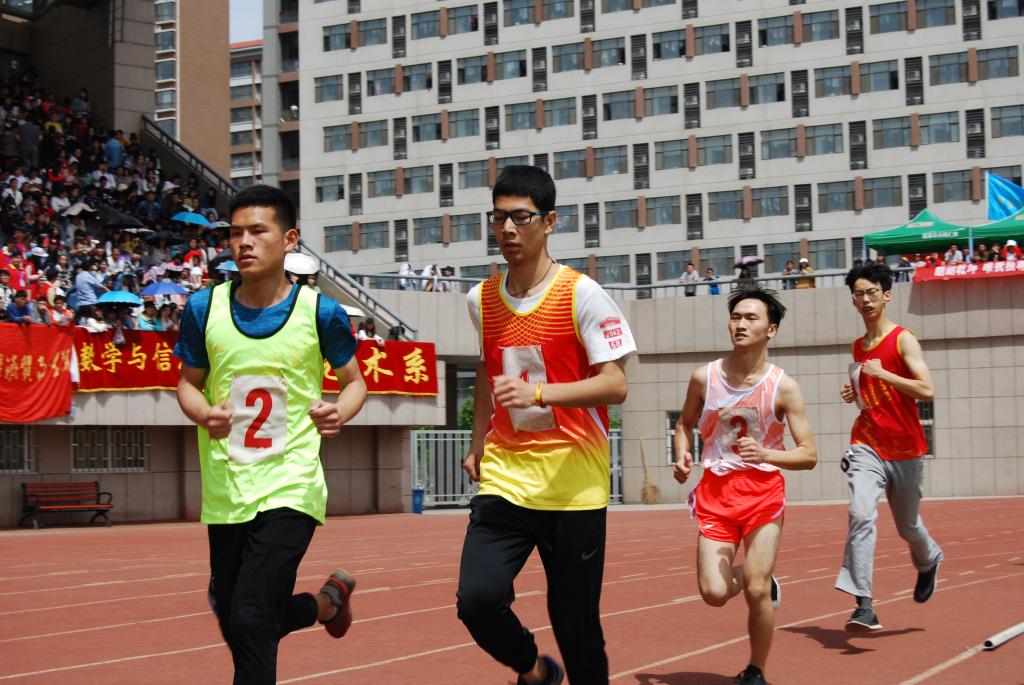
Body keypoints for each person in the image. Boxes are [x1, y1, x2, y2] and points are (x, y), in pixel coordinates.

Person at [174, 185, 369, 685]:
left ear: (289, 240)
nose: (244, 242)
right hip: (227, 489)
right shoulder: (203, 309)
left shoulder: (320, 312)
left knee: (250, 617)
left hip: (291, 485)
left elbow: (354, 382)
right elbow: (187, 384)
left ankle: (321, 606)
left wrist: (339, 412)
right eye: (235, 232)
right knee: (238, 617)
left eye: (258, 231)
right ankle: (326, 604)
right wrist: (204, 414)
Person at [458, 165, 636, 685]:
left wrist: (539, 393)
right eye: (498, 218)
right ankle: (534, 670)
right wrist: (477, 442)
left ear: (549, 222)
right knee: (477, 600)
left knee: (576, 626)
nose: (508, 229)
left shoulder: (582, 294)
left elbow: (615, 385)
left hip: (574, 485)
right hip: (507, 477)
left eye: (521, 217)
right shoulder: (480, 299)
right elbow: (488, 372)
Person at [673, 286, 817, 685]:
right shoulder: (704, 378)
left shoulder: (784, 387)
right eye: (735, 317)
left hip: (762, 496)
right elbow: (684, 424)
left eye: (751, 318)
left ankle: (756, 671)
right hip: (716, 497)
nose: (740, 324)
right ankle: (760, 575)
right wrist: (682, 454)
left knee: (755, 590)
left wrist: (767, 454)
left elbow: (809, 454)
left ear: (771, 330)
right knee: (714, 593)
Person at [836, 262, 943, 632]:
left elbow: (927, 390)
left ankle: (929, 560)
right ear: (853, 300)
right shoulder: (858, 346)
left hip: (906, 449)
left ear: (886, 295)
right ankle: (863, 604)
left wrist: (883, 374)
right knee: (861, 513)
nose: (865, 300)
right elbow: (871, 395)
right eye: (858, 294)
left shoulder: (903, 339)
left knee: (908, 526)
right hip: (867, 443)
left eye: (871, 293)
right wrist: (855, 392)